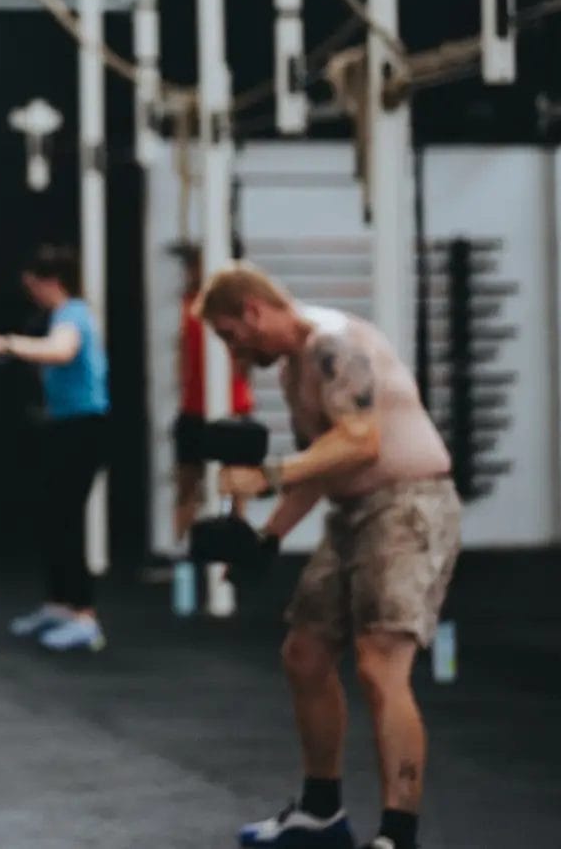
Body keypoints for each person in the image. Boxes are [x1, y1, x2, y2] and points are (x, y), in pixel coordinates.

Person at [198, 263, 458, 849]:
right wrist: (268, 537)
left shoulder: (334, 343)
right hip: (351, 518)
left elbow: (361, 440)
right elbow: (324, 464)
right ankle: (319, 814)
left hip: (409, 509)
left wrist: (265, 476)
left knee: (378, 666)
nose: (231, 350)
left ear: (253, 311)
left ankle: (398, 835)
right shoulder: (295, 373)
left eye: (229, 334)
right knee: (304, 653)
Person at [0, 244, 110, 653]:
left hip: (84, 429)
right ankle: (60, 605)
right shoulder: (58, 316)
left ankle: (85, 616)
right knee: (53, 517)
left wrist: (6, 344)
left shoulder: (72, 314)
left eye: (33, 286)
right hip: (64, 426)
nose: (31, 294)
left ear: (50, 282)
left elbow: (61, 351)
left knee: (67, 519)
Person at [174, 244, 254, 548]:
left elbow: (246, 355)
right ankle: (181, 552)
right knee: (187, 484)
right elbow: (183, 355)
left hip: (233, 405)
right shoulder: (189, 303)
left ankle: (238, 550)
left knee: (237, 485)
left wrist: (238, 390)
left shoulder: (236, 306)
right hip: (194, 407)